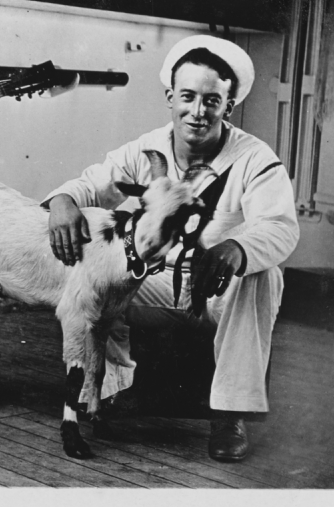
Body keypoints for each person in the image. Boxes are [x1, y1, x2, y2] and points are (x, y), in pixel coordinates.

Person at [42, 35, 299, 461]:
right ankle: (103, 392)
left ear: (228, 106)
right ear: (170, 98)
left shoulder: (254, 158)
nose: (198, 112)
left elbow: (280, 226)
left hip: (214, 287)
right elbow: (92, 183)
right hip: (152, 284)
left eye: (212, 100)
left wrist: (238, 247)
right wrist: (64, 200)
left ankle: (229, 413)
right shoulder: (146, 149)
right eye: (188, 97)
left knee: (265, 274)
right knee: (97, 275)